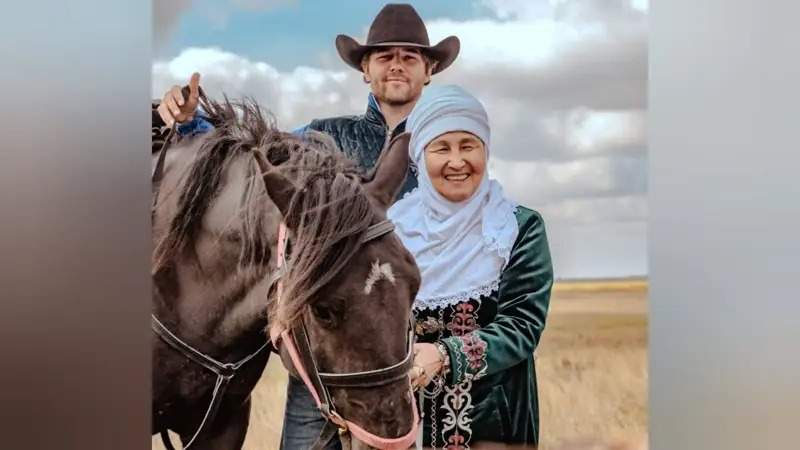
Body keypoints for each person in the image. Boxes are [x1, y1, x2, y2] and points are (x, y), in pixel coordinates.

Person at [151, 4, 462, 449]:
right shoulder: (324, 138)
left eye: (410, 56)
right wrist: (189, 122)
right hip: (337, 344)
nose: (397, 64)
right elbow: (255, 156)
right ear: (365, 70)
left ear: (428, 69)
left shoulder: (451, 147)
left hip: (413, 353)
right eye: (384, 56)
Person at [388, 85, 554, 448]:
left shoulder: (516, 227)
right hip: (402, 425)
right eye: (441, 148)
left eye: (468, 145)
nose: (457, 161)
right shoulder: (393, 230)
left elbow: (522, 325)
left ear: (485, 150)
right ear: (420, 155)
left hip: (491, 425)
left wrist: (446, 355)